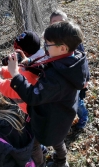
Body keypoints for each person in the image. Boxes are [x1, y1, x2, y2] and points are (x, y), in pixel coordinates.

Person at [7, 21, 89, 167]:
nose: (45, 47)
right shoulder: (73, 59)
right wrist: (31, 63)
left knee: (33, 143)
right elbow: (51, 65)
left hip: (49, 121)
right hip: (61, 117)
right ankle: (61, 162)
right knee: (58, 140)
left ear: (62, 48)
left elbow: (32, 96)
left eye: (48, 44)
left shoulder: (57, 80)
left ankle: (41, 165)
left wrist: (15, 74)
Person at [0, 31, 41, 114]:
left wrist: (1, 84)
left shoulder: (32, 71)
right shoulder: (31, 61)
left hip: (33, 110)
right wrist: (3, 71)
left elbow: (17, 90)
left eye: (17, 50)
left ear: (24, 53)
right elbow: (19, 71)